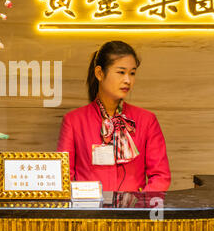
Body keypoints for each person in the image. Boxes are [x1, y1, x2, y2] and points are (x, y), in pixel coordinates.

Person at [57, 41, 171, 192]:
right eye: (121, 72)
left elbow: (160, 176)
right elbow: (64, 177)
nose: (128, 80)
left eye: (132, 73)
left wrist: (139, 205)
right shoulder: (74, 121)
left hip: (133, 212)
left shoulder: (147, 120)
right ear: (99, 73)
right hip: (89, 212)